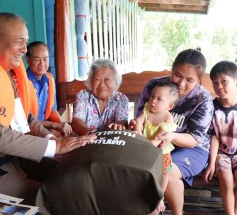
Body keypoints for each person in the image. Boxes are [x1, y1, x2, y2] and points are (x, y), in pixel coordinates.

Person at [0, 12, 96, 205]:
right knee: (56, 201)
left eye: (26, 42)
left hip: (7, 160)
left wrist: (52, 139)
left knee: (72, 173)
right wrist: (56, 147)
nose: (24, 49)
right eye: (19, 41)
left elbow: (25, 118)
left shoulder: (3, 72)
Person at [129, 49, 214, 215]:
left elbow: (196, 138)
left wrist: (172, 136)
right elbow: (142, 118)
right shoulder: (155, 87)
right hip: (154, 143)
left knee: (168, 171)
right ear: (171, 69)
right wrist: (136, 127)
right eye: (177, 75)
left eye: (189, 80)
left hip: (192, 148)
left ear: (199, 80)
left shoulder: (202, 99)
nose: (181, 83)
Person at [133, 82, 179, 214]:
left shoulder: (167, 118)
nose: (153, 101)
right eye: (152, 96)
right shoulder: (147, 109)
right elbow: (140, 120)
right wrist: (137, 130)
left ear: (169, 106)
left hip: (160, 151)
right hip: (145, 147)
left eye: (159, 99)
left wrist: (144, 145)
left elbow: (159, 139)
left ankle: (160, 196)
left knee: (164, 173)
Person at [203, 60, 237, 215]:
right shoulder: (212, 107)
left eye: (224, 81)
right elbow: (214, 137)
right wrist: (211, 163)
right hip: (221, 153)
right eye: (215, 83)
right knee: (225, 176)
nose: (219, 87)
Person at [72, 58, 129, 136]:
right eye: (97, 79)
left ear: (115, 82)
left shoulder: (121, 99)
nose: (102, 84)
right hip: (85, 141)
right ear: (90, 82)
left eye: (107, 80)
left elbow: (122, 121)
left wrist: (119, 126)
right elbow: (77, 120)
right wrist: (88, 133)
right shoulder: (82, 96)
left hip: (110, 142)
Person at [26, 41, 72, 136]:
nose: (42, 64)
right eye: (37, 59)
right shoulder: (21, 82)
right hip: (28, 133)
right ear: (28, 60)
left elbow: (53, 110)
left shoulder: (49, 80)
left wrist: (60, 125)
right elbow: (25, 121)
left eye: (45, 59)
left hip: (45, 128)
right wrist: (54, 125)